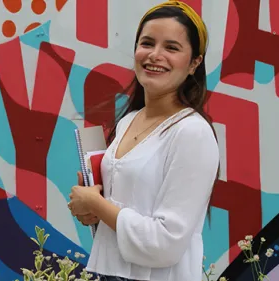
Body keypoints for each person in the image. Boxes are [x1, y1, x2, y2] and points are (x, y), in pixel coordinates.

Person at [67, 2, 219, 281]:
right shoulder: (127, 122)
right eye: (147, 43)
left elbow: (166, 244)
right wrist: (91, 208)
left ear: (194, 63)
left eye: (172, 48)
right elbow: (123, 215)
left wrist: (98, 205)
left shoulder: (192, 133)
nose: (155, 55)